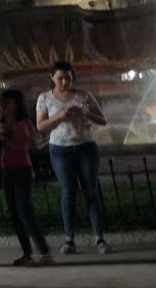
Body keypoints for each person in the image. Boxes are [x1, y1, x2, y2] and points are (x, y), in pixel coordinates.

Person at [36, 61, 110, 255]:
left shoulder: (84, 95)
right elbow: (40, 126)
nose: (64, 82)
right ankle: (69, 239)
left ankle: (100, 237)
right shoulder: (45, 98)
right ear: (52, 78)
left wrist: (84, 112)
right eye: (60, 78)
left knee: (91, 191)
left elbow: (102, 120)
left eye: (68, 78)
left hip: (86, 147)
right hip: (60, 149)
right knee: (68, 192)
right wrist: (59, 117)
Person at [0, 90, 52, 266]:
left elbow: (28, 146)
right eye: (2, 103)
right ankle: (26, 252)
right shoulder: (2, 123)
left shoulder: (24, 122)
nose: (4, 107)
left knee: (25, 212)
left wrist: (9, 135)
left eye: (8, 103)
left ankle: (44, 252)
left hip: (22, 169)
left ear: (17, 104)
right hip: (7, 169)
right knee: (14, 213)